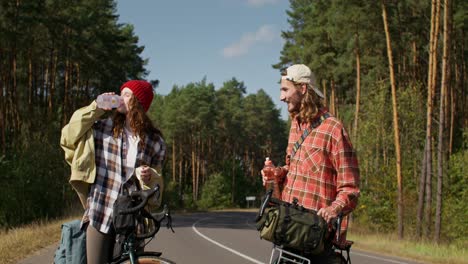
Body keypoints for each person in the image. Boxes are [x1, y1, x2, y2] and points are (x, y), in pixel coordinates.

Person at [262, 64, 360, 263]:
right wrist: (275, 174)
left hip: (316, 240)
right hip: (288, 232)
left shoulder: (333, 129)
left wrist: (333, 209)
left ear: (303, 88)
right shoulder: (295, 126)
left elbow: (351, 187)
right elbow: (293, 169)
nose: (281, 97)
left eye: (285, 89)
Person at [60, 80, 166, 264]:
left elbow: (157, 184)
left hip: (133, 218)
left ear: (139, 102)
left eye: (126, 94)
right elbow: (68, 135)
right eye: (121, 93)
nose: (119, 97)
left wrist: (149, 178)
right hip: (101, 211)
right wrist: (97, 106)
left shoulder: (155, 141)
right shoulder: (103, 128)